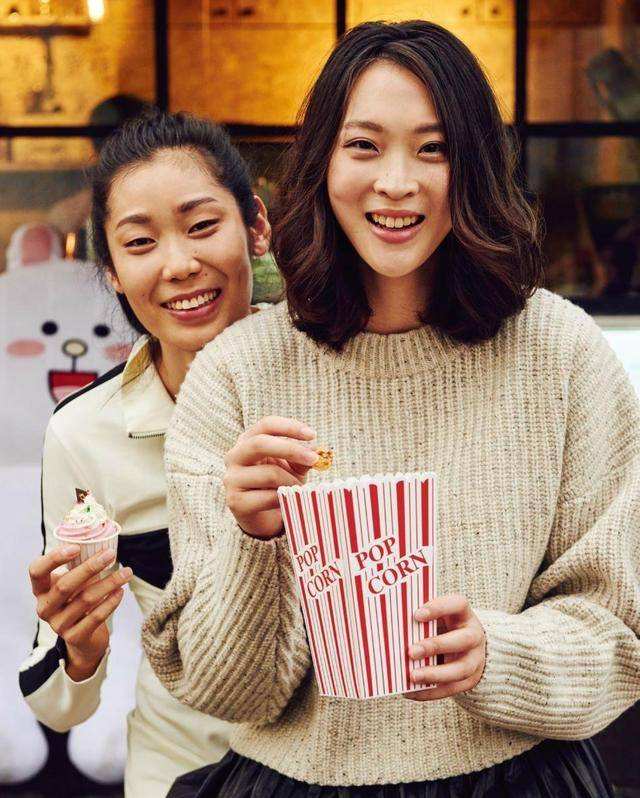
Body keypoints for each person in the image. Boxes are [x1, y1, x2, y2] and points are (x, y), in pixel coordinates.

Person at [142, 21, 640, 798]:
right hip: (293, 782)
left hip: (517, 778)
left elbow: (620, 633)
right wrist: (252, 541)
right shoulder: (236, 374)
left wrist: (497, 655)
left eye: (433, 149)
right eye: (364, 146)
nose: (397, 183)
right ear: (322, 161)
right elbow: (225, 691)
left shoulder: (561, 354)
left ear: (474, 166)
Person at [19, 110, 271, 797]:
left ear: (256, 226)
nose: (179, 264)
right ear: (111, 270)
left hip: (341, 770)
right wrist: (80, 645)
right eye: (139, 242)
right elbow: (59, 705)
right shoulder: (83, 433)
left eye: (202, 225)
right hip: (181, 773)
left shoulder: (339, 378)